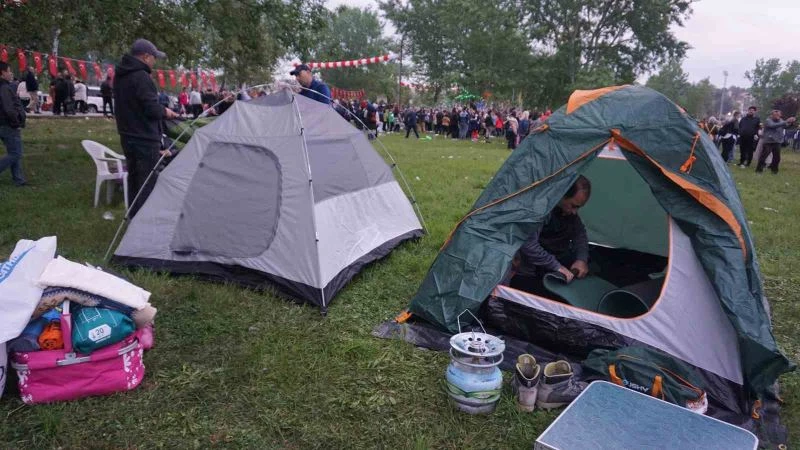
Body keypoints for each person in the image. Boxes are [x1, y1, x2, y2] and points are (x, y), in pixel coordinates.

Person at [114, 38, 178, 217]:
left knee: (134, 181)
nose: (155, 61)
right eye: (154, 57)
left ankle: (133, 218)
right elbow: (151, 109)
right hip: (144, 139)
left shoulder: (121, 75)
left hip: (127, 135)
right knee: (147, 184)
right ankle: (145, 224)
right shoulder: (141, 77)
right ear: (145, 56)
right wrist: (165, 111)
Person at [510, 176, 592, 294]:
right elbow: (528, 244)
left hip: (553, 260)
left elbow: (579, 234)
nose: (575, 212)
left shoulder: (568, 212)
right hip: (529, 269)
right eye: (573, 206)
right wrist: (557, 267)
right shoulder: (539, 210)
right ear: (562, 195)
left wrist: (581, 259)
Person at [0, 62, 27, 186]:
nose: (11, 73)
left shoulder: (6, 86)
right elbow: (9, 109)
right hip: (8, 124)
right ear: (2, 73)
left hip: (5, 123)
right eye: (9, 71)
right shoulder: (4, 88)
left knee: (14, 151)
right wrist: (16, 122)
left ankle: (19, 180)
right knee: (16, 153)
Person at [756, 110, 795, 174]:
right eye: (776, 115)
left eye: (779, 115)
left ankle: (774, 171)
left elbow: (786, 126)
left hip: (777, 141)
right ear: (772, 115)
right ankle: (759, 170)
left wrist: (791, 122)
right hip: (768, 141)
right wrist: (786, 121)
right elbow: (773, 125)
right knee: (764, 156)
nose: (777, 116)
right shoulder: (768, 120)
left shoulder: (781, 120)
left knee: (777, 157)